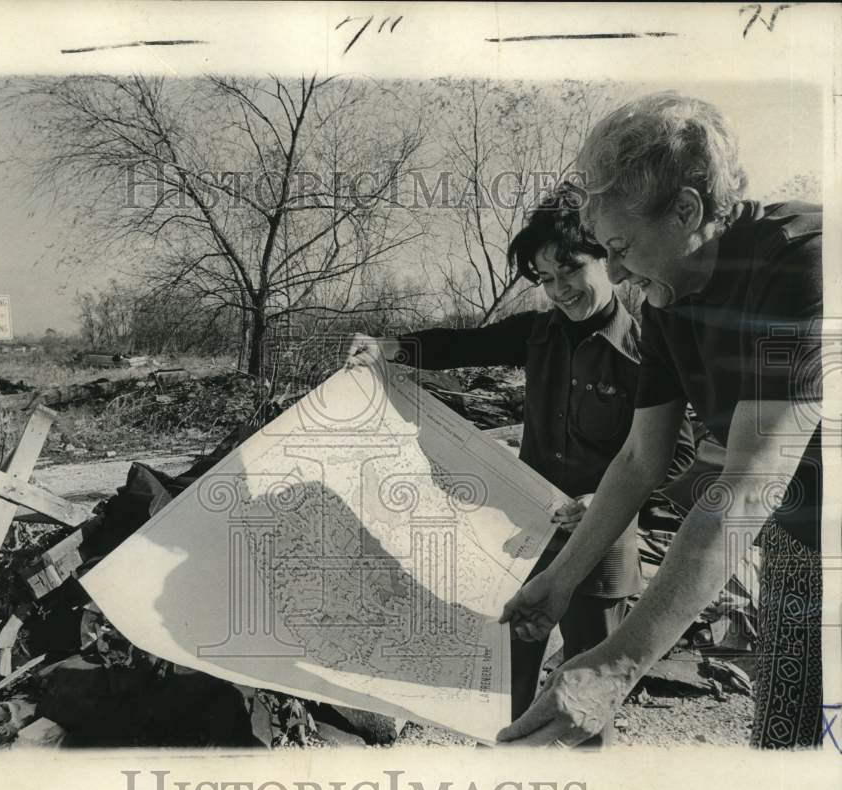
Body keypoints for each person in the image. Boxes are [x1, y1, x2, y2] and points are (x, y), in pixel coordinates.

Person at [498, 92, 823, 749]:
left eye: (620, 247)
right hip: (796, 531)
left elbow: (748, 480)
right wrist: (557, 582)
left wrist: (619, 662)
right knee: (785, 742)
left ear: (686, 210)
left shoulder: (804, 259)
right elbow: (638, 461)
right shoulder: (667, 300)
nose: (614, 272)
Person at [347, 185, 696, 741]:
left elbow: (676, 452)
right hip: (525, 538)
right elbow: (460, 346)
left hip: (602, 546)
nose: (559, 290)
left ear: (606, 258)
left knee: (585, 688)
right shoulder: (536, 334)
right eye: (545, 279)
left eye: (570, 271)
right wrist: (390, 347)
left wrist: (603, 502)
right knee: (511, 679)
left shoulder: (647, 347)